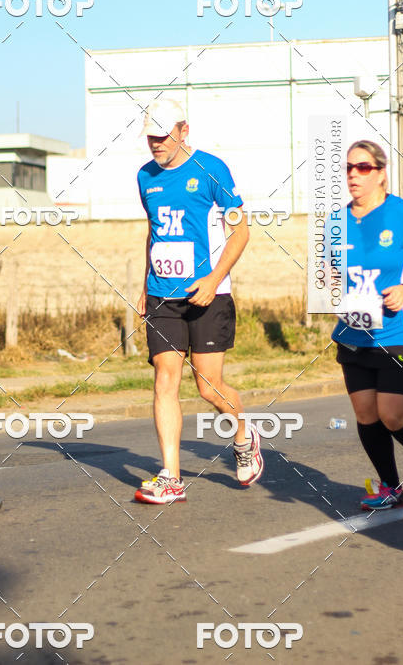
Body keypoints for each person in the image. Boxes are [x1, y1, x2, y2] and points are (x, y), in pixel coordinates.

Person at [134, 98, 263, 504]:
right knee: (164, 379)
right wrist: (144, 285)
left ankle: (244, 435)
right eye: (150, 137)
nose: (155, 144)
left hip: (209, 294)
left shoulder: (212, 170)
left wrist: (214, 278)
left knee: (208, 387)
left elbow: (241, 232)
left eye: (162, 136)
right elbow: (154, 232)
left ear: (183, 129)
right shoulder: (144, 177)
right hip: (162, 295)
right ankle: (170, 476)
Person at [333, 140, 403, 510]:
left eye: (363, 168)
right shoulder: (337, 222)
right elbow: (331, 273)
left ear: (381, 174)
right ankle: (391, 488)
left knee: (392, 414)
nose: (353, 174)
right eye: (349, 167)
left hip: (400, 332)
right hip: (354, 334)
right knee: (366, 414)